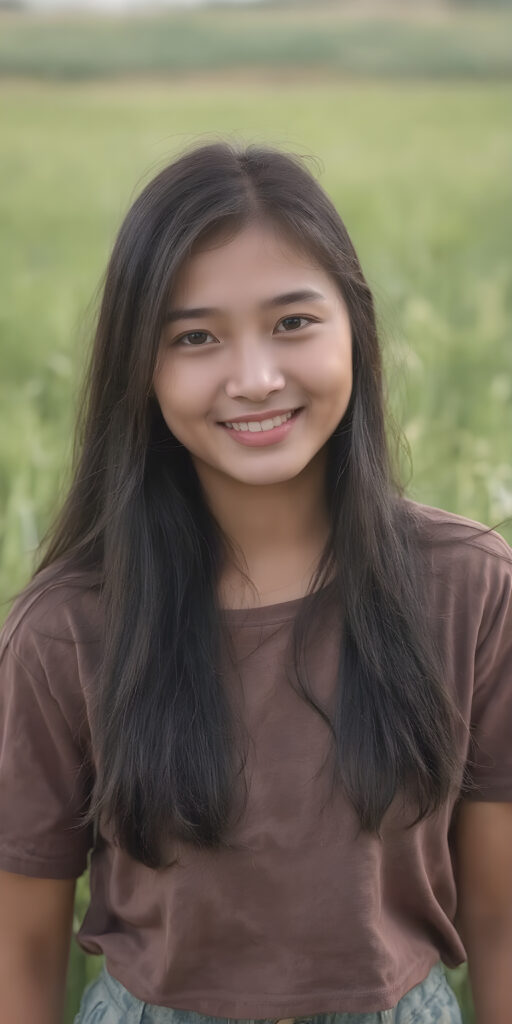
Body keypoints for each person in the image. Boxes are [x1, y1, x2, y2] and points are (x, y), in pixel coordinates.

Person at [0, 141, 511, 1024]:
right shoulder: (68, 627)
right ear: (142, 370)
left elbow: (503, 920)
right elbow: (23, 945)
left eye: (293, 323)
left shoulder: (467, 587)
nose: (256, 378)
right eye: (196, 338)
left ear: (356, 328)